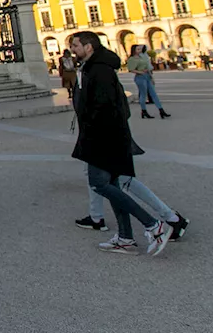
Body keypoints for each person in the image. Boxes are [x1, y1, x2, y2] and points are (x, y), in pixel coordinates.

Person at [69, 31, 170, 256]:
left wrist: (92, 129)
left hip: (103, 137)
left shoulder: (100, 70)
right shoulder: (92, 67)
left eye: (76, 45)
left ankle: (154, 225)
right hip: (105, 135)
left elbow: (105, 107)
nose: (72, 50)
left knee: (99, 183)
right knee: (112, 185)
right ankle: (125, 237)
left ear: (89, 47)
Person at [126, 45, 170, 119]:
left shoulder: (142, 57)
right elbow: (131, 69)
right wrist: (140, 72)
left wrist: (151, 77)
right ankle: (144, 111)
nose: (139, 50)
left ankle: (161, 110)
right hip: (140, 77)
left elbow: (148, 67)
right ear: (134, 50)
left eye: (140, 49)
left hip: (147, 76)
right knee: (143, 94)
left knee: (153, 94)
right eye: (138, 49)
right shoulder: (132, 59)